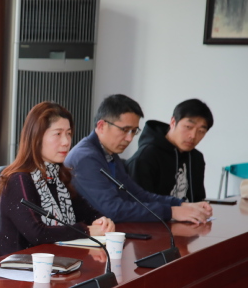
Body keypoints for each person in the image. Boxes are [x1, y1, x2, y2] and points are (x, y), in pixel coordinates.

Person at [64, 94, 212, 224]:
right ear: (102, 126)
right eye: (124, 130)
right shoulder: (86, 158)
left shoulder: (109, 153)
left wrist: (181, 205)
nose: (129, 138)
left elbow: (136, 195)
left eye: (134, 131)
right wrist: (171, 212)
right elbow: (113, 210)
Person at [0, 102, 115, 255]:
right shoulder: (18, 180)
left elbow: (87, 212)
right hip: (23, 266)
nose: (66, 142)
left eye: (68, 133)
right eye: (58, 134)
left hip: (61, 261)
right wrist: (87, 230)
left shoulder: (57, 177)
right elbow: (37, 233)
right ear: (37, 137)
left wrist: (102, 221)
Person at [127, 99, 213, 201]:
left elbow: (198, 199)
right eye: (188, 127)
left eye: (201, 131)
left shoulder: (196, 158)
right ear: (173, 122)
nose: (193, 136)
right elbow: (140, 204)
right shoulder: (145, 157)